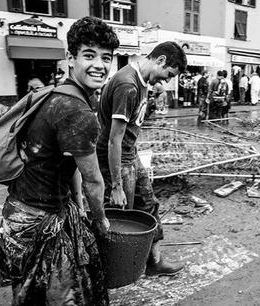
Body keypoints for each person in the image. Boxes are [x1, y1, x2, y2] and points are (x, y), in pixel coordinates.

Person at [0, 16, 119, 305]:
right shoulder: (77, 112)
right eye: (89, 55)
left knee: (27, 294)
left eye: (106, 57)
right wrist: (100, 220)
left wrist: (76, 201)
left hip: (17, 213)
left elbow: (68, 162)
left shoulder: (52, 94)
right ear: (70, 58)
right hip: (41, 221)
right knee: (60, 298)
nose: (99, 65)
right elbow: (94, 180)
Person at [97, 41, 187, 276]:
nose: (166, 81)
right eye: (168, 75)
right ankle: (110, 269)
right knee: (119, 214)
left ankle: (153, 262)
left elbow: (131, 125)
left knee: (148, 204)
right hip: (117, 159)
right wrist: (116, 185)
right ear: (161, 60)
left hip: (131, 154)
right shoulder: (128, 85)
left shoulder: (142, 81)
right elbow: (113, 140)